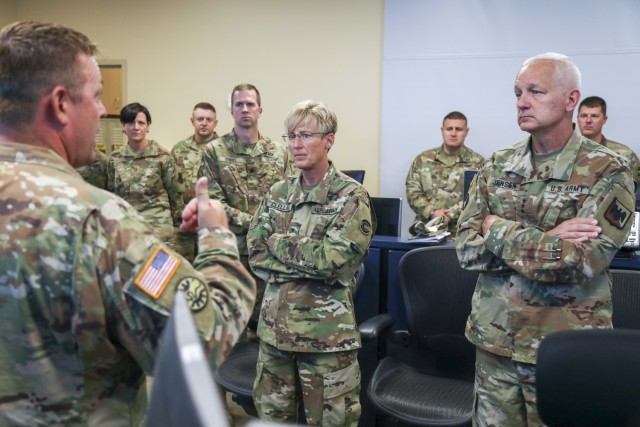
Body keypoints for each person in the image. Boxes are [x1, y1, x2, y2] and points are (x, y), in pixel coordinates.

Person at [0, 20, 255, 426]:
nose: (104, 110)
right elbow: (205, 336)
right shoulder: (98, 222)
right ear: (61, 103)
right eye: (97, 95)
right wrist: (217, 234)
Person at [456, 52, 635, 426]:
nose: (522, 102)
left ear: (571, 100)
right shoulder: (497, 165)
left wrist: (495, 227)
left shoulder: (607, 170)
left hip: (563, 349)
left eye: (535, 91)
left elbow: (580, 260)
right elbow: (466, 250)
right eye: (518, 92)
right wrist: (547, 237)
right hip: (496, 345)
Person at [248, 100, 375, 426]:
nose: (296, 145)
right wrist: (306, 258)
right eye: (291, 136)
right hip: (275, 337)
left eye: (305, 135)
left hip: (325, 342)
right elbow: (257, 254)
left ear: (329, 140)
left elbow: (333, 262)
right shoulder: (277, 193)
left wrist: (279, 242)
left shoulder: (350, 196)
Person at [199, 83, 294, 335]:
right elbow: (213, 201)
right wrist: (257, 224)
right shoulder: (214, 152)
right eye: (239, 104)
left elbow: (292, 198)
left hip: (271, 254)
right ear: (231, 110)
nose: (244, 109)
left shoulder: (279, 152)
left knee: (270, 329)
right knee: (232, 331)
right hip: (233, 253)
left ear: (260, 110)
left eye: (250, 104)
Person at [107, 102, 186, 252]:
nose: (136, 127)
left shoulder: (162, 156)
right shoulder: (114, 158)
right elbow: (112, 195)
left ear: (148, 126)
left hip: (159, 231)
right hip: (128, 229)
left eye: (141, 123)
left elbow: (176, 196)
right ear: (123, 126)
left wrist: (178, 230)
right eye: (130, 122)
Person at [405, 111, 484, 236]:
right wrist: (432, 212)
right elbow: (412, 191)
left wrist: (450, 215)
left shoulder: (478, 163)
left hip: (462, 233)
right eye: (449, 129)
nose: (453, 133)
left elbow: (479, 197)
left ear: (466, 131)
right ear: (442, 130)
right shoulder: (423, 159)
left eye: (458, 129)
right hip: (426, 230)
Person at [172, 102, 220, 260]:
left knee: (212, 270)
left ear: (215, 123)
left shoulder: (223, 149)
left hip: (213, 224)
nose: (204, 123)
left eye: (209, 119)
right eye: (200, 119)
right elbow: (171, 186)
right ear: (192, 121)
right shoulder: (179, 149)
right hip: (184, 224)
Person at [577, 95, 640, 185]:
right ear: (577, 118)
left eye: (594, 116)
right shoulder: (561, 152)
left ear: (604, 120)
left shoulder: (624, 154)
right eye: (583, 116)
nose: (588, 120)